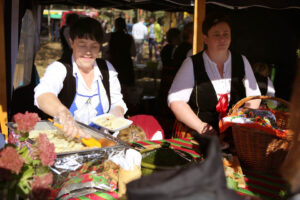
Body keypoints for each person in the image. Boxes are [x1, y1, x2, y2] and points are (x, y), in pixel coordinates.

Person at [168, 13, 261, 136]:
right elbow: (176, 100)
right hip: (198, 136)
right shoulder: (192, 63)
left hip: (235, 137)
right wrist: (201, 126)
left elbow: (254, 96)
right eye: (216, 35)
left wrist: (244, 120)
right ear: (205, 38)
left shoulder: (241, 61)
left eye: (226, 34)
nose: (222, 39)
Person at [34, 17, 127, 138]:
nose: (88, 52)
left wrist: (117, 113)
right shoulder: (60, 68)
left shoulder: (106, 69)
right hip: (66, 141)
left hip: (100, 143)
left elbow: (117, 102)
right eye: (82, 45)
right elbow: (43, 94)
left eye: (94, 46)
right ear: (71, 42)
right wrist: (63, 113)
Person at [108, 17, 136, 88]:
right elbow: (133, 53)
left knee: (113, 86)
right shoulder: (129, 37)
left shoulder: (110, 36)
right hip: (126, 64)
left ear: (115, 25)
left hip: (114, 63)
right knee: (125, 87)